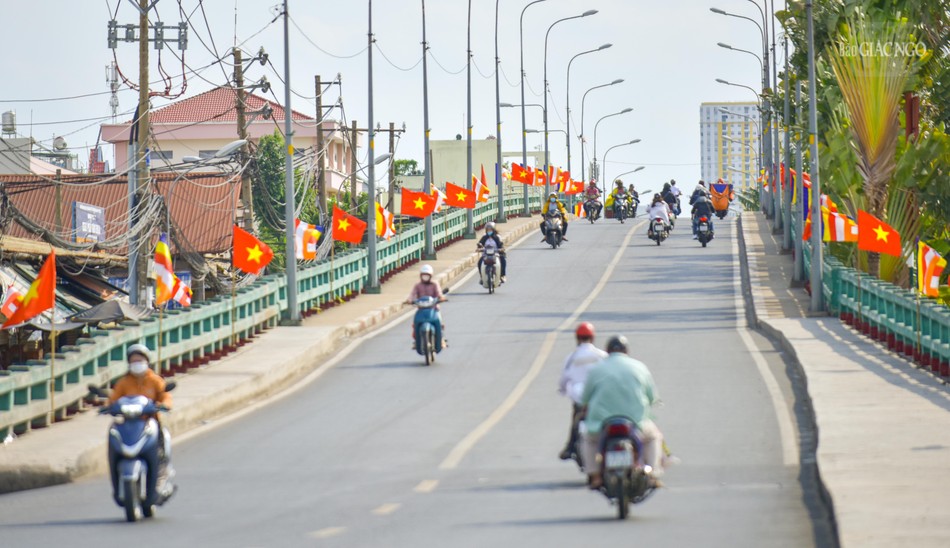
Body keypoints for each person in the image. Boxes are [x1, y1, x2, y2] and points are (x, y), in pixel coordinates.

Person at [579, 335, 664, 489]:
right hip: (635, 423)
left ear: (607, 351)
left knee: (588, 439)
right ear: (627, 351)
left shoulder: (597, 369)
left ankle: (595, 476)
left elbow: (585, 398)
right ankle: (652, 474)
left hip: (601, 424)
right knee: (653, 438)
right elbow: (652, 396)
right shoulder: (639, 367)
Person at [109, 344, 174, 488]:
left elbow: (165, 396)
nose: (137, 364)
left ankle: (161, 472)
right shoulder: (124, 382)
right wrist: (108, 407)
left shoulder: (155, 380)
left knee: (160, 445)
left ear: (146, 361)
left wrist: (164, 405)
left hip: (150, 422)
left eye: (140, 360)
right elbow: (114, 399)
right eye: (134, 361)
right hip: (129, 424)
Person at [557, 322, 608, 461]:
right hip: (599, 399)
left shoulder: (572, 357)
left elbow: (564, 379)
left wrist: (562, 390)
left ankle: (570, 446)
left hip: (580, 399)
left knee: (576, 418)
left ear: (577, 338)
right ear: (592, 338)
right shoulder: (602, 355)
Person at [406, 264, 448, 348]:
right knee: (415, 324)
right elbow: (412, 294)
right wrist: (409, 300)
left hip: (433, 308)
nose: (425, 277)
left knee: (439, 323)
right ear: (421, 276)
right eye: (424, 275)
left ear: (431, 276)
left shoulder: (434, 284)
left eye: (427, 275)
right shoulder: (417, 285)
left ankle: (441, 340)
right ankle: (416, 340)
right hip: (421, 309)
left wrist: (441, 298)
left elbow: (439, 293)